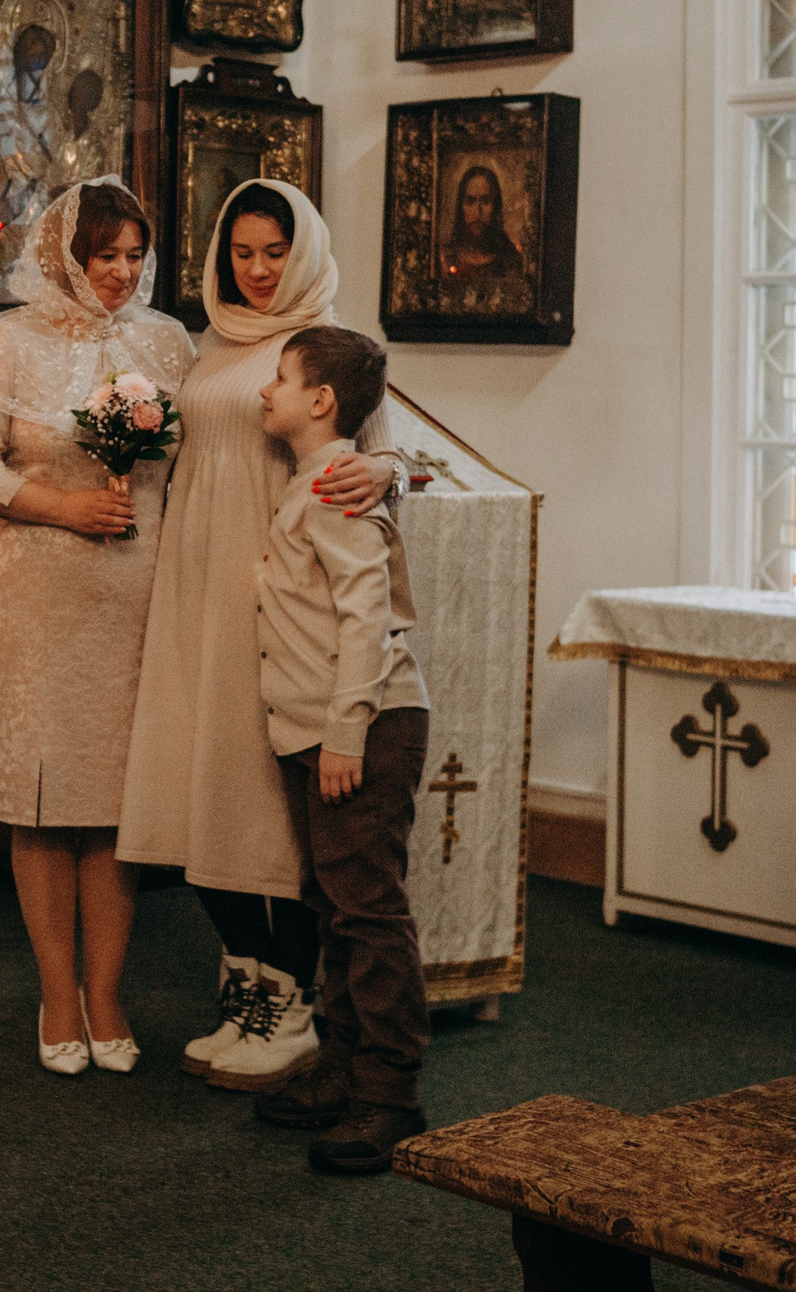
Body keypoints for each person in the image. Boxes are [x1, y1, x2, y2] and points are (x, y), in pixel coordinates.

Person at [116, 178, 403, 1094]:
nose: (259, 269)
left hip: (277, 586)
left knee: (259, 791)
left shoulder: (326, 341)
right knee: (193, 774)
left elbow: (378, 450)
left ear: (304, 248)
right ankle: (247, 978)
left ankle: (289, 995)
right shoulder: (213, 340)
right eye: (241, 252)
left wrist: (389, 471)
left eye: (275, 251)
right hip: (194, 571)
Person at [0, 178, 193, 1077]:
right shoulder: (9, 342)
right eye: (104, 256)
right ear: (65, 256)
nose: (122, 271)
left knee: (115, 803)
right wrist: (63, 506)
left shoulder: (168, 342)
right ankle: (57, 994)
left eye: (135, 255)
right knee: (45, 802)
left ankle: (108, 992)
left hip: (138, 589)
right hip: (40, 591)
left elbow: (196, 464)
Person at [251, 325, 433, 1175]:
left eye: (281, 378)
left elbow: (369, 615)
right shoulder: (310, 482)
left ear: (321, 400)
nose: (266, 391)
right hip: (320, 728)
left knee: (367, 909)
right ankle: (343, 1066)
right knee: (333, 904)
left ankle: (390, 1094)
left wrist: (346, 730)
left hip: (363, 727)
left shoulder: (335, 486)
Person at [442, 164, 525, 281]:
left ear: (495, 206)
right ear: (461, 207)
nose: (477, 211)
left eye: (485, 201)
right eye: (470, 201)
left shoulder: (510, 259)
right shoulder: (447, 257)